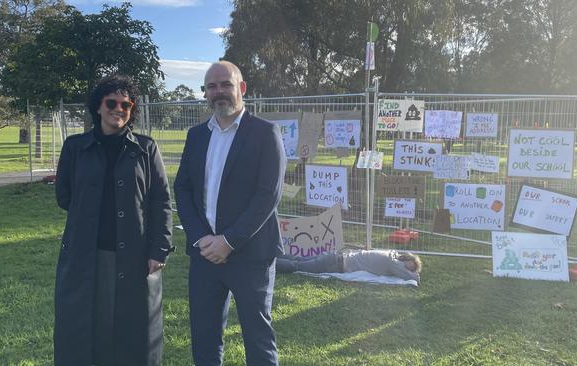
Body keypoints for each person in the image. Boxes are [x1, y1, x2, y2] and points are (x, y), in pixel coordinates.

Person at [54, 75, 173, 365]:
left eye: (126, 104)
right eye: (111, 102)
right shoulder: (74, 147)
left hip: (134, 255)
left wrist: (160, 248)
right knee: (84, 327)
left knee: (133, 330)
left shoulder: (146, 148)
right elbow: (64, 196)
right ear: (98, 106)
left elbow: (161, 201)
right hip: (85, 253)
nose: (118, 109)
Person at [174, 61, 286, 366]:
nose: (218, 92)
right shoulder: (196, 136)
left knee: (258, 338)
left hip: (250, 255)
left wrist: (229, 241)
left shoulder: (265, 133)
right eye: (211, 86)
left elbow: (268, 195)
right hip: (204, 256)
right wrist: (201, 238)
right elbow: (182, 189)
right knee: (204, 337)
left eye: (225, 84)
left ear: (242, 88)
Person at [276, 250, 422, 282]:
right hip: (336, 263)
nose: (407, 269)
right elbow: (411, 277)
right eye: (408, 266)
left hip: (335, 257)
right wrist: (415, 273)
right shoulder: (392, 263)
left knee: (298, 260)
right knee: (297, 266)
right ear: (404, 261)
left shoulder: (391, 254)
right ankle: (267, 264)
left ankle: (271, 255)